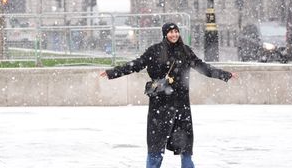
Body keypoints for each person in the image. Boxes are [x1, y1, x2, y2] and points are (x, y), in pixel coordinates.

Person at [99, 23, 236, 168]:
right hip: (160, 103)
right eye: (171, 32)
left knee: (185, 145)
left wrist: (224, 75)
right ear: (165, 34)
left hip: (181, 104)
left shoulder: (185, 51)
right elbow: (136, 64)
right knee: (156, 145)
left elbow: (203, 67)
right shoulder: (154, 51)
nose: (174, 35)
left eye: (176, 31)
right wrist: (112, 72)